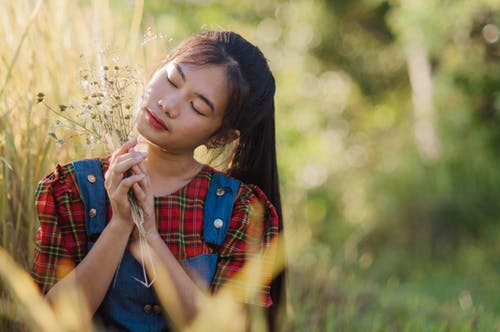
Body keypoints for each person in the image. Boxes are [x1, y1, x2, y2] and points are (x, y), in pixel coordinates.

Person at [31, 30, 285, 331]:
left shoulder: (240, 211)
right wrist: (120, 224)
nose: (169, 104)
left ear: (220, 138)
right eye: (173, 79)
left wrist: (149, 236)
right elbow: (46, 321)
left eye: (198, 107)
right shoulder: (75, 187)